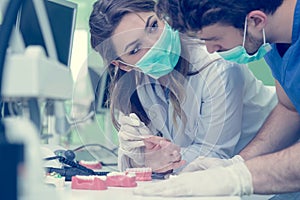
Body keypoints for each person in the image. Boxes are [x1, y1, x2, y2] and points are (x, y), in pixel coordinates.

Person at [88, 0, 277, 175]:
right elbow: (140, 161)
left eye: (153, 26)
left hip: (270, 170)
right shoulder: (138, 84)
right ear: (123, 65)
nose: (155, 45)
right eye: (135, 50)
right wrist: (138, 156)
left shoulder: (217, 64)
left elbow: (213, 157)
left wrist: (155, 162)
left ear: (161, 14)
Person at [133, 0, 300, 198]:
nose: (210, 50)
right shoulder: (272, 40)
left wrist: (238, 176)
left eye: (214, 39)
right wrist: (237, 163)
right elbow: (290, 109)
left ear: (255, 20)